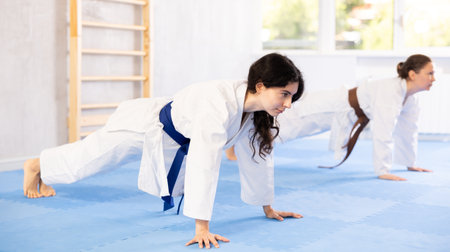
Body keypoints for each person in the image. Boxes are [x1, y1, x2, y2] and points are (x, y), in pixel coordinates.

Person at [23, 53, 305, 248]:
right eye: (284, 94)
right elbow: (204, 163)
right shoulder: (217, 102)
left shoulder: (254, 110)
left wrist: (267, 206)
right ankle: (37, 165)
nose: (288, 104)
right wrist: (201, 228)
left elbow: (258, 159)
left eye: (291, 96)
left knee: (90, 158)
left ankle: (43, 165)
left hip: (172, 139)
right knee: (90, 160)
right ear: (260, 85)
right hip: (146, 128)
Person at [226, 54, 435, 181]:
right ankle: (235, 141)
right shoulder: (391, 91)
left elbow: (409, 130)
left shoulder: (410, 98)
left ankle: (239, 141)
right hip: (332, 105)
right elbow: (384, 131)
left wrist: (410, 163)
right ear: (413, 74)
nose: (433, 78)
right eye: (430, 73)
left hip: (344, 111)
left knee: (286, 128)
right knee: (287, 126)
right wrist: (383, 170)